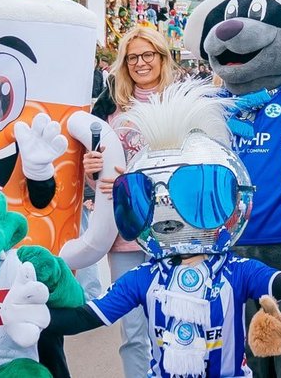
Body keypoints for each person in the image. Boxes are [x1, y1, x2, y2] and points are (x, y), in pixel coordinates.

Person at [84, 25, 179, 378]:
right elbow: (92, 168)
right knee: (134, 327)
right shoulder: (110, 106)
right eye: (133, 57)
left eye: (147, 55)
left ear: (161, 57)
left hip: (172, 229)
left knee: (174, 320)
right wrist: (90, 168)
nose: (140, 63)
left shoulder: (181, 99)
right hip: (124, 231)